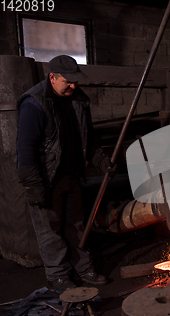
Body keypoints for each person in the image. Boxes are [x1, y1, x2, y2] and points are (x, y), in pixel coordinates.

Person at [16, 55, 117, 290]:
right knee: (50, 230)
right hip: (47, 180)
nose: (73, 86)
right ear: (52, 77)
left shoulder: (79, 100)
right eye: (68, 81)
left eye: (76, 81)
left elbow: (88, 139)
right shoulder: (34, 104)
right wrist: (32, 185)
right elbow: (26, 148)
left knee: (76, 225)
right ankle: (58, 275)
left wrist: (102, 161)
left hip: (71, 176)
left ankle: (82, 267)